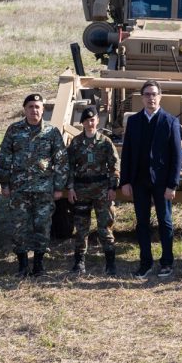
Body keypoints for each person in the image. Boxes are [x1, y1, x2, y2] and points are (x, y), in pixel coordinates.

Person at [0, 93, 68, 277]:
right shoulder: (14, 130)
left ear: (43, 109)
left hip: (44, 190)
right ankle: (22, 266)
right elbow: (5, 156)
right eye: (30, 106)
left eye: (37, 107)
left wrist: (59, 187)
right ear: (25, 109)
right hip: (19, 189)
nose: (34, 110)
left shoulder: (52, 132)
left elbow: (60, 160)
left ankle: (39, 265)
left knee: (42, 227)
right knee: (19, 227)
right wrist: (4, 183)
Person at [120, 80, 182, 279]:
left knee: (165, 222)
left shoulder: (170, 121)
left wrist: (172, 184)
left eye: (154, 94)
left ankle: (166, 262)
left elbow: (177, 155)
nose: (151, 98)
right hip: (139, 181)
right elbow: (127, 153)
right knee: (142, 223)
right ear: (142, 97)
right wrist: (126, 181)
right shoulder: (134, 121)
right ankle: (145, 263)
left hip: (162, 183)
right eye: (147, 94)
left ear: (160, 96)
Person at [66, 106, 119, 276]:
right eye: (87, 120)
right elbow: (69, 167)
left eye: (93, 119)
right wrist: (71, 188)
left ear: (97, 120)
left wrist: (112, 187)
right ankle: (79, 262)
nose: (90, 123)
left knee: (105, 227)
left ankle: (110, 263)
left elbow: (114, 165)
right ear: (82, 123)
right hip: (81, 190)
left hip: (102, 190)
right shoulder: (76, 143)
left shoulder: (105, 142)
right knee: (81, 228)